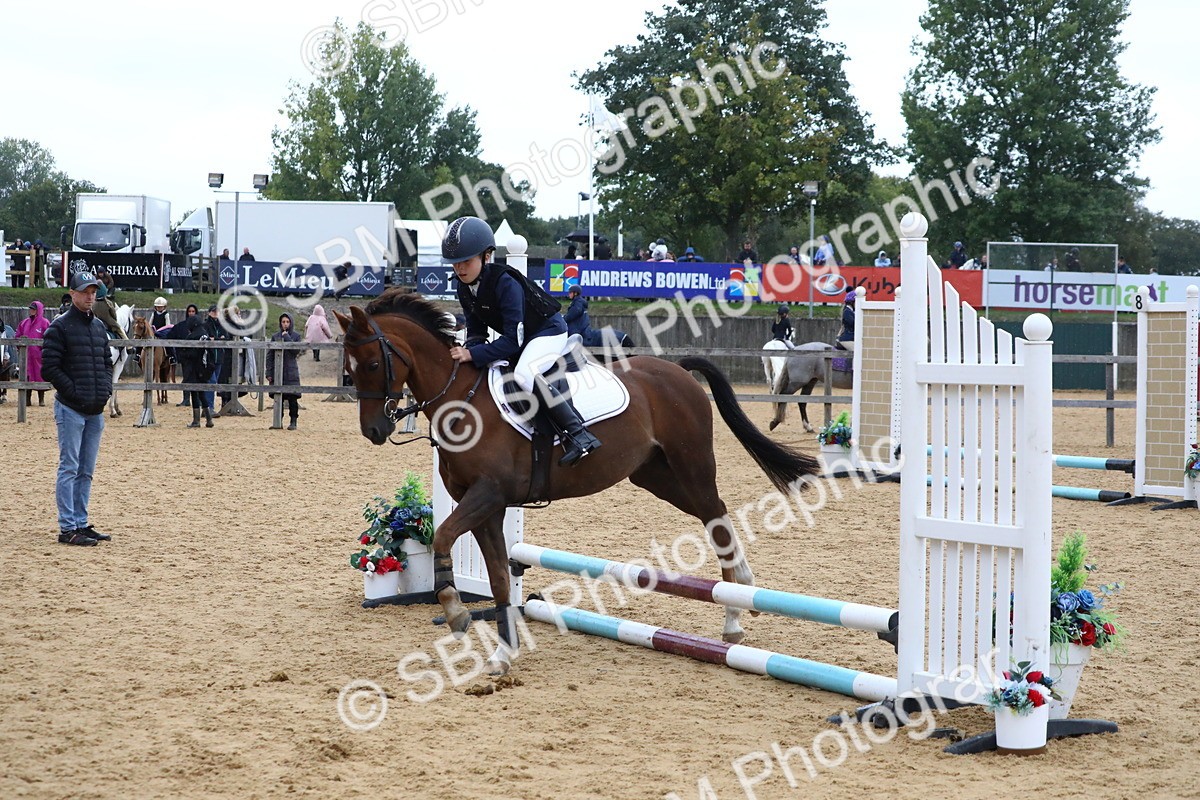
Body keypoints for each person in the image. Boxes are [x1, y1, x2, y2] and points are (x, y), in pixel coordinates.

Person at [444, 215, 600, 466]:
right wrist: (469, 350)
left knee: (524, 374)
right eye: (455, 263)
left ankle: (579, 434)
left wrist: (473, 354)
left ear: (486, 256)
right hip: (524, 336)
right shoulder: (463, 287)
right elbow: (476, 332)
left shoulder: (505, 282)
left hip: (548, 331)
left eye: (466, 261)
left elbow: (511, 342)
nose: (460, 269)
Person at [41, 271, 114, 546]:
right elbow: (50, 367)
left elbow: (106, 362)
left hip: (94, 410)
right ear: (72, 294)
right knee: (69, 467)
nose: (90, 297)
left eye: (93, 292)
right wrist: (74, 392)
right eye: (85, 292)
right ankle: (67, 527)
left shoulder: (98, 327)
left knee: (86, 470)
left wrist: (105, 390)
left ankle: (81, 522)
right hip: (71, 408)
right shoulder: (59, 327)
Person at [267, 313, 302, 430]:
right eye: (283, 322)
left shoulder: (296, 336)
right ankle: (278, 421)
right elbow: (270, 356)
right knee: (278, 397)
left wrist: (286, 337)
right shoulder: (275, 336)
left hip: (291, 370)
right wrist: (269, 372)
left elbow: (295, 351)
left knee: (293, 397)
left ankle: (293, 421)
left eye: (287, 322)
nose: (285, 324)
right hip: (278, 371)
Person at [15, 301, 51, 406]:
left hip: (39, 356)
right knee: (26, 376)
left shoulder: (45, 323)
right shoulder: (24, 323)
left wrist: (44, 351)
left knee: (40, 376)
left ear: (38, 310)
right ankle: (27, 399)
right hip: (26, 356)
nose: (31, 311)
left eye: (33, 309)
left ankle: (41, 399)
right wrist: (20, 346)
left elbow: (49, 337)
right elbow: (17, 335)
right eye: (30, 309)